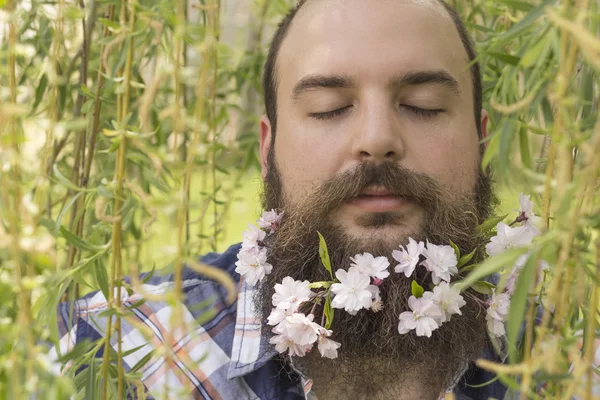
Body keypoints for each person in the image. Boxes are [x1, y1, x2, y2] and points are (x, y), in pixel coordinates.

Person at [51, 0, 509, 398]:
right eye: (329, 108)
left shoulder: (568, 360)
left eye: (423, 104)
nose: (377, 138)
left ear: (483, 144)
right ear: (268, 151)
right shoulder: (118, 351)